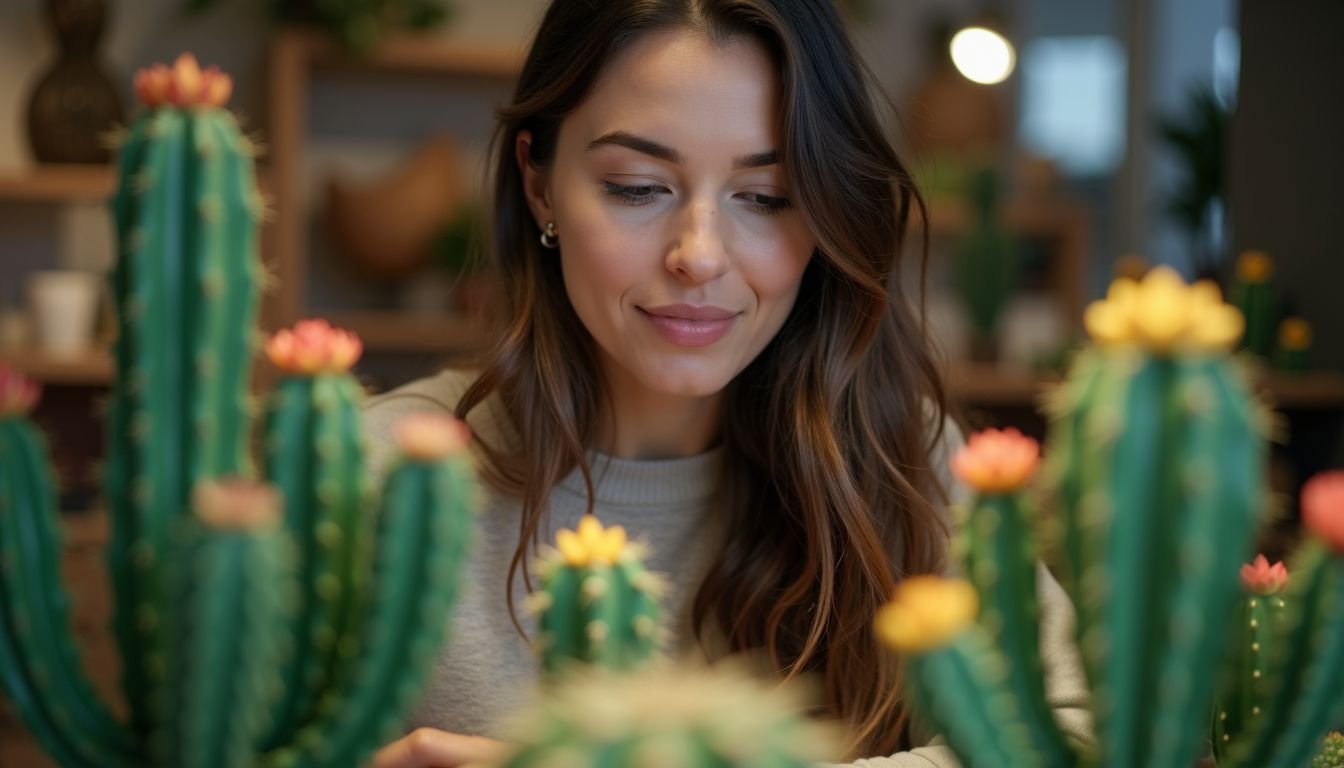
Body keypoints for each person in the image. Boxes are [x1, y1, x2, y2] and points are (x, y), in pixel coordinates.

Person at [365, 1, 1090, 766]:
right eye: (639, 187)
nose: (700, 256)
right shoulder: (381, 472)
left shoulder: (903, 454)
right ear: (540, 185)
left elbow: (1074, 733)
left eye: (766, 197)